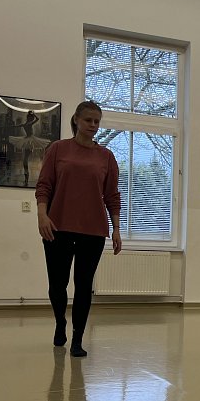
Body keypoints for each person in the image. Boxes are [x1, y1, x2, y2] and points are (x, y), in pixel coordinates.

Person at [35, 100, 121, 358]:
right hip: (57, 227)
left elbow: (112, 195)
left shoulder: (106, 157)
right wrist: (42, 215)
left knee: (83, 286)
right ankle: (60, 322)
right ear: (76, 120)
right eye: (88, 120)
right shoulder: (58, 149)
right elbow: (44, 185)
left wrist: (116, 229)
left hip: (93, 231)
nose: (93, 125)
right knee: (57, 285)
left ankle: (78, 338)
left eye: (97, 121)